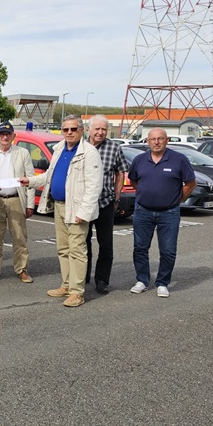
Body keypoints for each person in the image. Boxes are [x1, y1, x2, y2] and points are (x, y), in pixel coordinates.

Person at [20, 115, 102, 308]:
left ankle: (77, 292)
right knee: (63, 249)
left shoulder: (89, 153)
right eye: (66, 130)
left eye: (73, 129)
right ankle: (66, 285)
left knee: (77, 251)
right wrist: (30, 181)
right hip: (59, 205)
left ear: (81, 130)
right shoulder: (59, 150)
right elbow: (50, 175)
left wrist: (84, 211)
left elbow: (94, 186)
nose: (69, 133)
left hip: (77, 209)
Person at [129, 128, 196, 298]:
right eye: (153, 139)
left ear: (167, 140)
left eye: (160, 139)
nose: (156, 142)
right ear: (147, 141)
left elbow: (190, 183)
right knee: (140, 248)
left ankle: (162, 283)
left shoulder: (179, 159)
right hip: (143, 211)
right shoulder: (139, 160)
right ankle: (142, 280)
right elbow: (134, 181)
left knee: (168, 250)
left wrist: (176, 200)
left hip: (169, 212)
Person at [0, 121, 36, 284]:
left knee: (19, 237)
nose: (5, 137)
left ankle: (22, 269)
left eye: (8, 134)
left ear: (13, 136)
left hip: (16, 199)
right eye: (2, 134)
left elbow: (30, 179)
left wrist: (30, 204)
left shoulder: (22, 153)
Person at [85, 116, 130, 295]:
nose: (100, 132)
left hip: (105, 202)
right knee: (82, 242)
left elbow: (120, 172)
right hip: (84, 204)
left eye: (103, 129)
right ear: (89, 129)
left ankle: (102, 280)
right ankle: (83, 275)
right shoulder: (80, 146)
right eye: (97, 129)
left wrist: (117, 196)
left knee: (106, 244)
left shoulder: (114, 147)